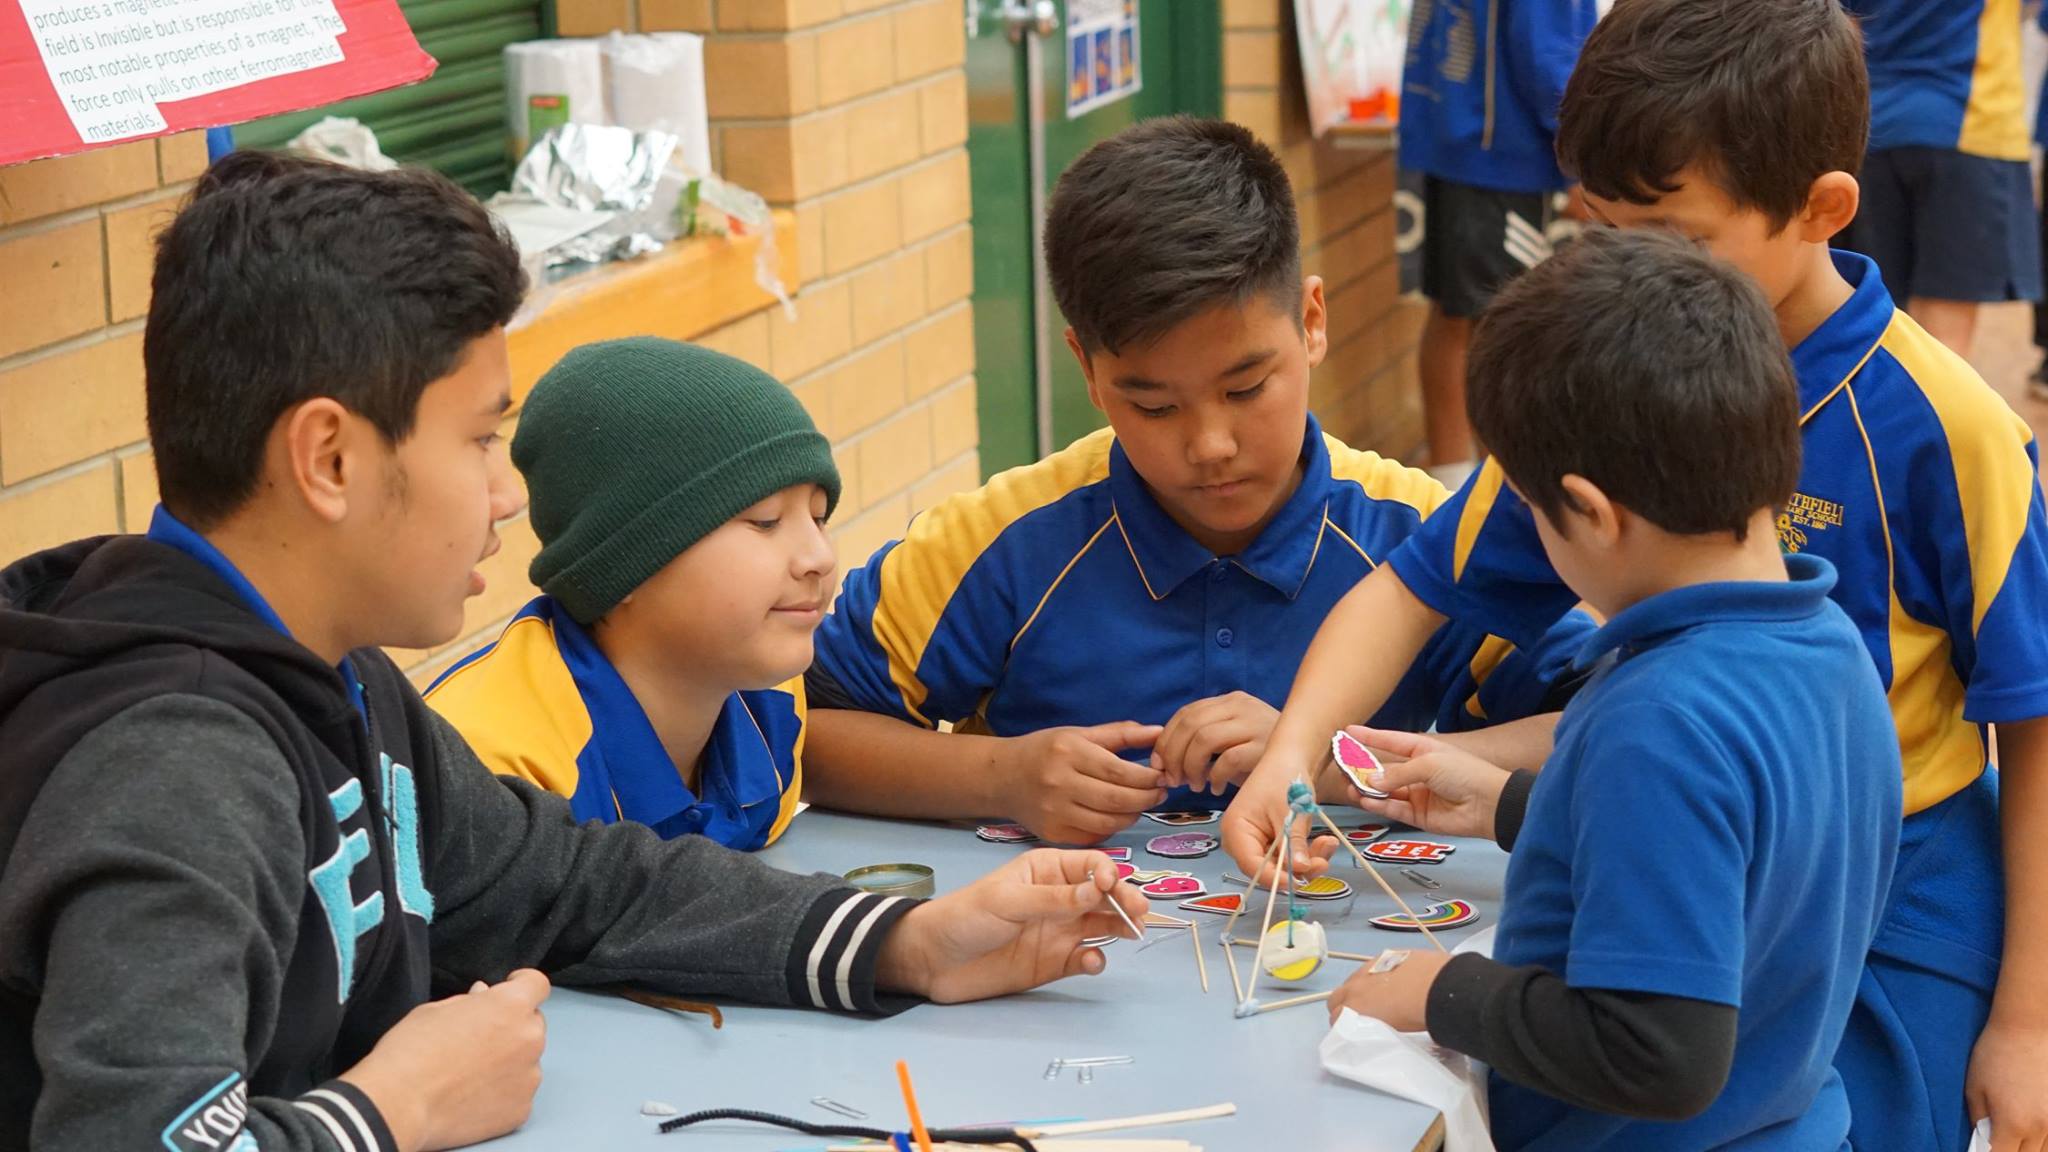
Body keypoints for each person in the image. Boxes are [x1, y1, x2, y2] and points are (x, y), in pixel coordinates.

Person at [0, 152, 1147, 1152]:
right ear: (331, 461)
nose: (508, 496)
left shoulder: (336, 683)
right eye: (481, 437)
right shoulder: (176, 765)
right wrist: (393, 1110)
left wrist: (906, 943)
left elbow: (571, 883)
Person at [1223, 2, 2048, 1149]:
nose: (1624, 267)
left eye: (1669, 235)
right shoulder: (1596, 381)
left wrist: (2029, 1019)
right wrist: (1293, 750)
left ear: (1819, 209)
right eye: (1595, 228)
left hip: (1889, 902)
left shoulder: (1949, 429)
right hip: (1693, 874)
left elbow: (2032, 719)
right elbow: (1417, 583)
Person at [799, 116, 1591, 847]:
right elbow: (800, 728)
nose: (1210, 445)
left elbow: (1603, 719)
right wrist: (999, 778)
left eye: (1247, 389)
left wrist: (1325, 759)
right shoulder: (999, 539)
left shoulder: (1417, 531)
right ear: (1086, 368)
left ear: (1312, 322)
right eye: (1152, 405)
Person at [1326, 224, 1899, 1150]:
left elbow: (1657, 1052)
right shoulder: (1827, 645)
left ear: (1590, 513)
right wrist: (1521, 808)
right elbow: (1738, 861)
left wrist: (1443, 994)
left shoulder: (1660, 721)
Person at [427, 339, 835, 850]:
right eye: (765, 522)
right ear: (622, 566)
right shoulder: (495, 770)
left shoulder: (771, 697)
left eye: (819, 518)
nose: (819, 556)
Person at [1400, 0, 1598, 479]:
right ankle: (1496, 485)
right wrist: (1581, 159)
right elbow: (1546, 59)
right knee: (1500, 321)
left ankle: (1458, 477)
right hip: (1501, 152)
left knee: (1459, 313)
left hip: (1456, 137)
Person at [1837, 0, 2041, 358]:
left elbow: (1845, 25)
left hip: (1875, 127)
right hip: (1967, 129)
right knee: (1942, 346)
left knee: (1879, 321)